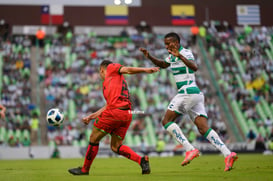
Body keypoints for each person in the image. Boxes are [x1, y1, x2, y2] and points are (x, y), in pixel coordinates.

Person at [139, 32, 238, 171]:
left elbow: (194, 67)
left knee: (166, 121)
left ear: (176, 42)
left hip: (187, 92)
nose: (166, 46)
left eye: (168, 43)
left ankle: (189, 149)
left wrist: (180, 56)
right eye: (165, 44)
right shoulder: (172, 56)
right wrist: (149, 56)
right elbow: (163, 64)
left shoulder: (185, 52)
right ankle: (228, 154)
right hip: (194, 94)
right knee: (203, 128)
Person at [68, 60, 160, 175]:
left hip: (115, 113)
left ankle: (84, 170)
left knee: (93, 138)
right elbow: (108, 105)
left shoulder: (111, 68)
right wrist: (91, 116)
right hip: (126, 114)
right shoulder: (113, 83)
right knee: (116, 146)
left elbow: (127, 69)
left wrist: (145, 70)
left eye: (99, 72)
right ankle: (141, 160)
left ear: (101, 70)